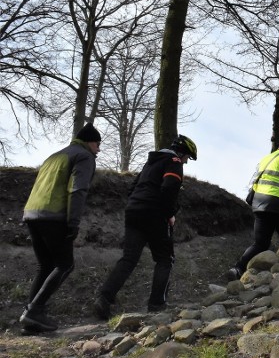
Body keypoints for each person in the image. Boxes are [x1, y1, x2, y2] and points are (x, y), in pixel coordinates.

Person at [93, 135, 197, 319]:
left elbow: (133, 187)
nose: (186, 162)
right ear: (181, 153)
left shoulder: (150, 163)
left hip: (133, 210)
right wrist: (170, 213)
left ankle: (104, 298)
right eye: (187, 158)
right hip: (155, 213)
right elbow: (169, 188)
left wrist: (136, 204)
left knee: (129, 259)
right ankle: (157, 305)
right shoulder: (174, 161)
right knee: (165, 259)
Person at [19, 123, 101, 332]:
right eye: (98, 144)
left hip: (32, 213)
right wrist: (73, 222)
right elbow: (78, 189)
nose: (98, 150)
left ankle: (31, 318)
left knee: (45, 266)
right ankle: (34, 310)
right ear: (90, 142)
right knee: (65, 264)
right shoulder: (84, 156)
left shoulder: (54, 156)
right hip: (54, 216)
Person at [227, 133, 279, 281]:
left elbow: (254, 181)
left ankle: (237, 268)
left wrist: (253, 201)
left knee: (260, 243)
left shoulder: (266, 159)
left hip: (259, 205)